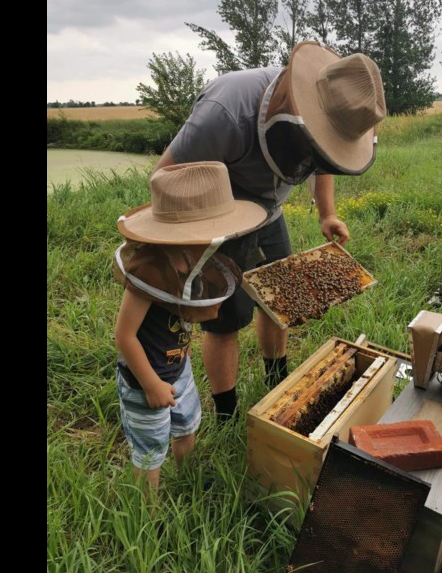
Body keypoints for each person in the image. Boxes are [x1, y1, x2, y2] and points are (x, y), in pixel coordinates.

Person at [153, 41, 387, 420]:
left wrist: (327, 212)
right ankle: (226, 413)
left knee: (280, 299)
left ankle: (276, 377)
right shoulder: (224, 113)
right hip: (219, 209)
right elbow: (164, 178)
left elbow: (324, 157)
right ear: (295, 108)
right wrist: (190, 247)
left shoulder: (328, 113)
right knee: (225, 317)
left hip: (269, 208)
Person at [113, 161, 267, 491]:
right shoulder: (149, 271)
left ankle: (190, 477)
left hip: (178, 368)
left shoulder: (197, 257)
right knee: (150, 449)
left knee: (187, 426)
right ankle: (147, 513)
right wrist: (151, 383)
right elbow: (124, 336)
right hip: (145, 378)